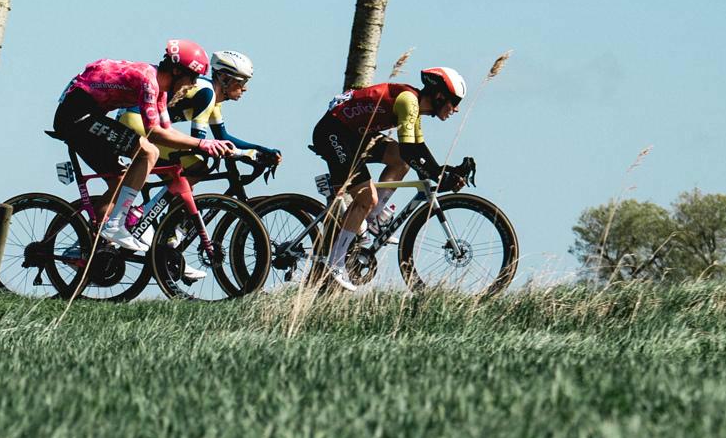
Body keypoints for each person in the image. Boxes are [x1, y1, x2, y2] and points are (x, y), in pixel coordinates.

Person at [52, 39, 233, 253]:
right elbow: (153, 133)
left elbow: (166, 130)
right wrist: (202, 143)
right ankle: (115, 224)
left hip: (88, 115)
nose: (194, 83)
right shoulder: (149, 80)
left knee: (119, 181)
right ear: (176, 71)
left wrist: (204, 145)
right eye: (192, 77)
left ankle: (91, 245)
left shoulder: (162, 92)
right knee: (148, 151)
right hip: (76, 116)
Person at [113, 49, 281, 279]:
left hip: (138, 121)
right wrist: (244, 153)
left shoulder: (213, 99)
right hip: (137, 123)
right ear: (225, 78)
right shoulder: (206, 93)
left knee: (183, 183)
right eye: (242, 82)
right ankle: (139, 215)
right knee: (198, 165)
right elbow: (200, 142)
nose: (245, 88)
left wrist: (261, 150)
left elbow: (223, 136)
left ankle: (167, 247)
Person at [309, 66, 467, 290]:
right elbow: (411, 152)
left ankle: (370, 220)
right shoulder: (408, 101)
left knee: (399, 161)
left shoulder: (415, 106)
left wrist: (444, 171)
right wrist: (441, 177)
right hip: (333, 133)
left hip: (354, 136)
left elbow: (417, 149)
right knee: (367, 198)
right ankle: (335, 263)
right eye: (455, 102)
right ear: (440, 96)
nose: (457, 109)